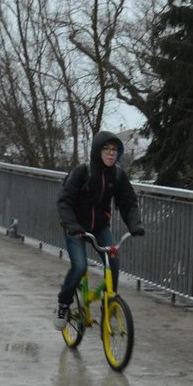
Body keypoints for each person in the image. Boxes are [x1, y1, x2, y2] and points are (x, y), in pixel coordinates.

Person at [54, 131, 145, 329]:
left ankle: (109, 304)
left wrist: (135, 224)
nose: (111, 153)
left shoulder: (118, 175)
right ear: (97, 151)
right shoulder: (82, 171)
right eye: (106, 149)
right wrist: (72, 225)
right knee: (80, 267)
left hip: (100, 227)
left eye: (114, 150)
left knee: (113, 261)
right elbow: (65, 201)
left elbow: (129, 202)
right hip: (76, 228)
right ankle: (63, 304)